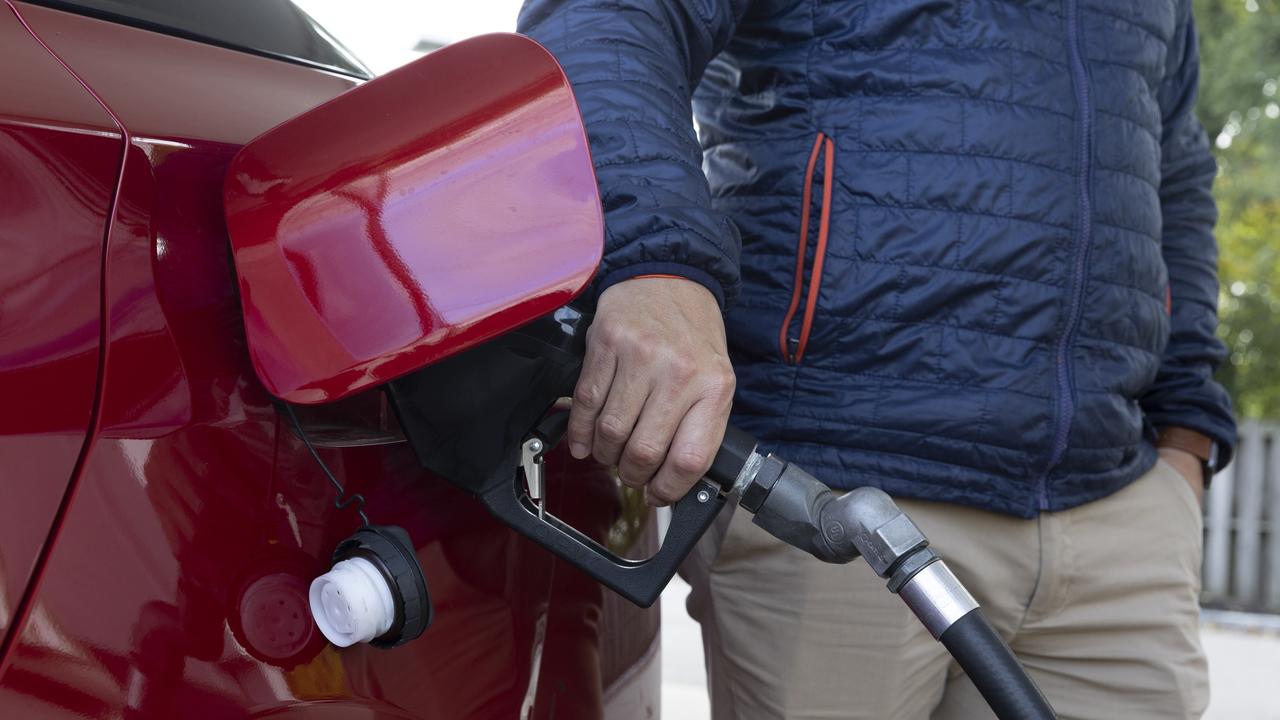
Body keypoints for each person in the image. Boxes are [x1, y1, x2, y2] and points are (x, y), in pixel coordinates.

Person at [518, 1, 1235, 717]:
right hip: (834, 502)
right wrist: (656, 262)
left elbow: (1174, 171)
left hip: (1117, 519)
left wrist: (1186, 439)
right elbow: (609, 18)